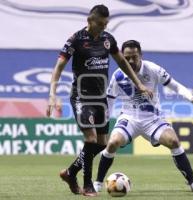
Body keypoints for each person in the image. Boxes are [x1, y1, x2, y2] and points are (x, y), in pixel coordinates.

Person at [46, 6, 152, 197]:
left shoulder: (108, 40)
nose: (104, 27)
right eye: (101, 24)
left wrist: (139, 84)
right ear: (90, 20)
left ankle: (70, 173)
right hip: (81, 96)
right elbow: (59, 67)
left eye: (106, 24)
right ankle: (87, 185)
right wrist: (52, 95)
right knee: (91, 139)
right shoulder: (75, 40)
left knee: (102, 143)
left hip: (100, 97)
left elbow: (122, 62)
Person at [93, 40, 193, 193]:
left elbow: (174, 85)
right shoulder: (118, 75)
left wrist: (191, 98)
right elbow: (110, 101)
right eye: (126, 58)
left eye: (134, 57)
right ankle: (98, 183)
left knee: (173, 141)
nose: (131, 61)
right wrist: (103, 127)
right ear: (121, 57)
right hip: (129, 117)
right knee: (113, 143)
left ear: (140, 55)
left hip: (153, 118)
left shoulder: (153, 69)